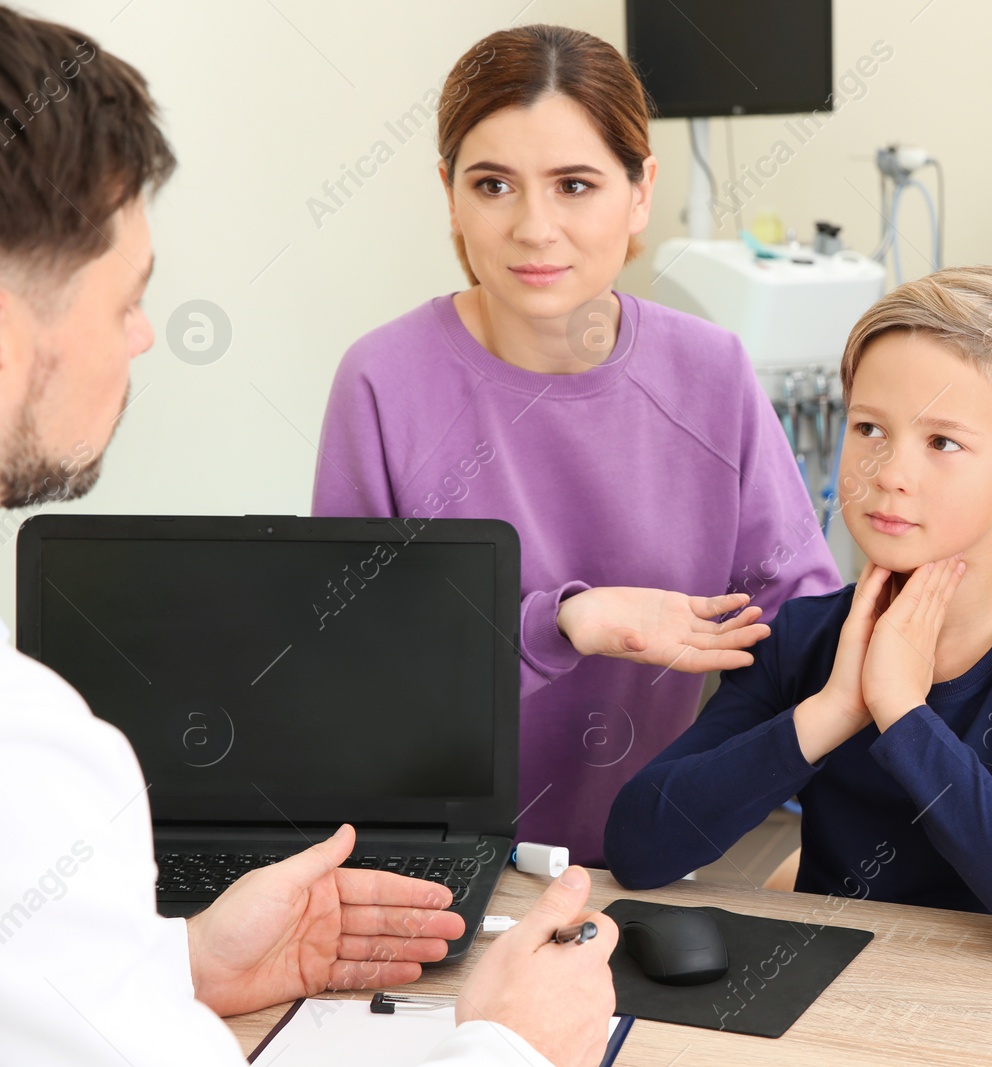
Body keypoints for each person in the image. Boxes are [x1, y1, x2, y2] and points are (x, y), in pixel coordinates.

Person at [312, 25, 992, 868]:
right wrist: (568, 620)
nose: (536, 227)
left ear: (641, 191)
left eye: (575, 184)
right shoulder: (382, 381)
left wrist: (988, 636)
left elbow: (798, 615)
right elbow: (351, 665)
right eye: (493, 184)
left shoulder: (709, 372)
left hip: (635, 864)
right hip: (420, 857)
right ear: (450, 194)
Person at [0, 9, 615, 1066]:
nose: (144, 333)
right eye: (127, 298)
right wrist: (512, 1045)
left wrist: (179, 963)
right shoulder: (36, 763)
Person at [605, 267, 992, 966]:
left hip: (976, 1013)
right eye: (870, 427)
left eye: (942, 442)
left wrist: (904, 712)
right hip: (812, 990)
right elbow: (639, 844)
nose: (888, 472)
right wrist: (835, 708)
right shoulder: (805, 639)